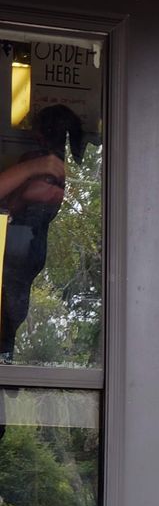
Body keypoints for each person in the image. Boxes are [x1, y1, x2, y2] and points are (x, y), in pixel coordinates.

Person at [0, 105, 80, 362]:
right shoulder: (41, 162)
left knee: (14, 302)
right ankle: (7, 351)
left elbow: (48, 196)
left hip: (27, 240)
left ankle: (7, 351)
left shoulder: (46, 163)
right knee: (13, 301)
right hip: (26, 241)